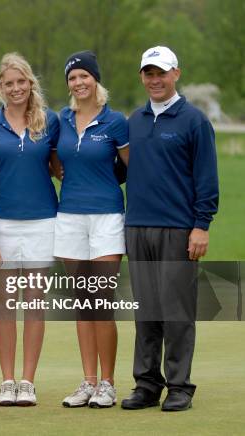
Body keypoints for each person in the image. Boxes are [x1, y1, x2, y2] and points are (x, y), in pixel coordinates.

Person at [121, 46, 218, 412]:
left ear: (176, 73)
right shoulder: (135, 120)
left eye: (161, 72)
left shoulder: (193, 120)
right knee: (146, 312)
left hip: (178, 229)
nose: (155, 79)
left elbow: (207, 179)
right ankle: (146, 384)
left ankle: (180, 386)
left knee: (177, 311)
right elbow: (119, 169)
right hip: (138, 227)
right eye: (148, 73)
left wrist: (201, 226)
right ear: (142, 77)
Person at [0, 52, 61, 407]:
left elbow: (59, 165)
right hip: (3, 225)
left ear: (30, 83)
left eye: (21, 82)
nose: (15, 88)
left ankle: (28, 381)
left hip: (43, 221)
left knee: (35, 305)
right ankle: (7, 380)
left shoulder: (50, 121)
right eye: (8, 83)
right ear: (0, 87)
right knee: (7, 305)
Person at [54, 51, 129, 409]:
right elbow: (55, 161)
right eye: (72, 78)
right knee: (82, 303)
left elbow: (133, 168)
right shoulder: (61, 121)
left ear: (96, 80)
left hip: (106, 217)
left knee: (101, 301)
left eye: (84, 76)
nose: (79, 83)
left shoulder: (116, 122)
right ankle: (88, 381)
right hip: (69, 217)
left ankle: (108, 383)